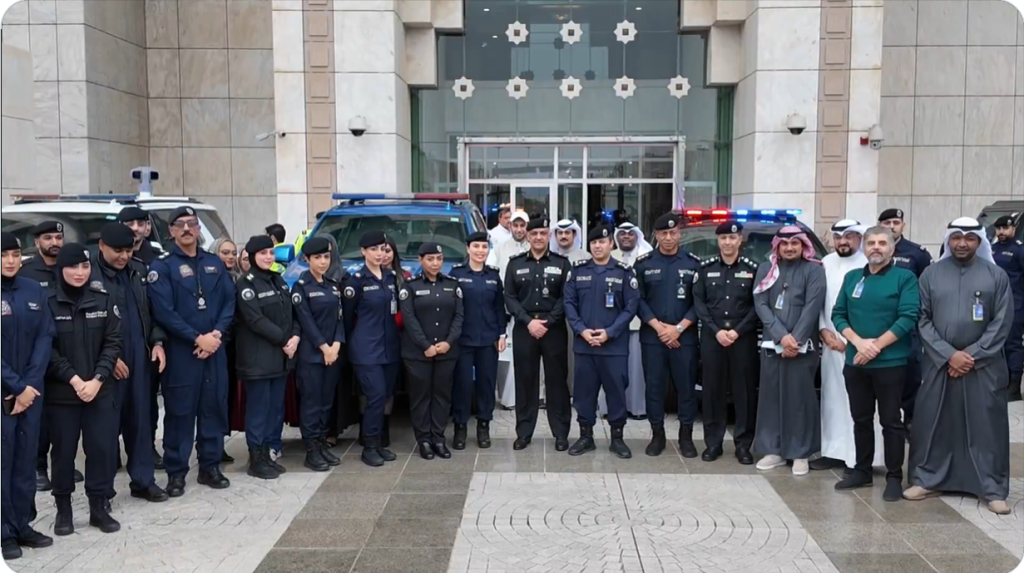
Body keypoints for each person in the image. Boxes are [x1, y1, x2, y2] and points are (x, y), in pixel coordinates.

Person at [905, 218, 1014, 515]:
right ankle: (928, 479)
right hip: (940, 365)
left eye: (969, 238)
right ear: (948, 240)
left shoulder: (996, 275)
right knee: (934, 422)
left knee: (986, 426)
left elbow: (1002, 321)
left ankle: (991, 488)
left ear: (979, 241)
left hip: (984, 367)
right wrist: (949, 355)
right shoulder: (930, 275)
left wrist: (971, 356)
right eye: (956, 237)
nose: (962, 243)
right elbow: (921, 319)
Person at [147, 206, 236, 497]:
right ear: (171, 230)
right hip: (182, 354)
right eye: (180, 224)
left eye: (192, 224)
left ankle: (210, 467)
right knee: (180, 413)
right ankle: (176, 473)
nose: (186, 229)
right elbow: (163, 311)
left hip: (214, 351)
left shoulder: (214, 263)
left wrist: (216, 335)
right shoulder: (162, 267)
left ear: (198, 230)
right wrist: (197, 338)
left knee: (213, 409)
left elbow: (229, 302)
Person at [831, 226, 920, 501]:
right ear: (864, 247)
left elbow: (908, 317)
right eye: (871, 243)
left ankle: (894, 477)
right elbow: (838, 314)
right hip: (855, 362)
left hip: (890, 364)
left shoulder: (904, 278)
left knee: (891, 421)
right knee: (860, 418)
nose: (876, 247)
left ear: (892, 248)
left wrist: (875, 347)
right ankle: (862, 470)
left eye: (882, 243)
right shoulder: (852, 278)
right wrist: (858, 343)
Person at [45, 244, 123, 535]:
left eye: (85, 266)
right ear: (61, 269)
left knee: (101, 449)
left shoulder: (104, 299)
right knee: (63, 453)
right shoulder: (48, 303)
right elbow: (48, 350)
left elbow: (113, 343)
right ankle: (63, 510)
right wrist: (76, 381)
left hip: (99, 391)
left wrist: (98, 379)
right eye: (73, 267)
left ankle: (98, 507)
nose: (80, 273)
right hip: (63, 394)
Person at [92, 223, 169, 503]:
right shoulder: (89, 275)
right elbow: (84, 325)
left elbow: (153, 312)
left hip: (140, 356)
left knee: (140, 422)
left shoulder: (138, 271)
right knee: (105, 430)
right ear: (102, 246)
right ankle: (102, 491)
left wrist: (157, 342)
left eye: (128, 250)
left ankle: (143, 481)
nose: (123, 256)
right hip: (105, 362)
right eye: (117, 251)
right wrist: (107, 360)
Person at [752, 226, 827, 476]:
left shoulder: (814, 270)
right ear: (777, 246)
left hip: (802, 346)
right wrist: (781, 336)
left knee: (799, 398)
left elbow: (812, 306)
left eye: (795, 243)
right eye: (784, 244)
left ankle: (800, 452)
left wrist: (795, 340)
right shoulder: (767, 268)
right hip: (773, 344)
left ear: (803, 245)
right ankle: (773, 449)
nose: (789, 248)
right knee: (771, 397)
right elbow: (760, 303)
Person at [813, 220, 883, 474]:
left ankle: (859, 458)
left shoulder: (869, 264)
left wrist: (849, 340)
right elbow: (821, 302)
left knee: (859, 404)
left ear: (860, 238)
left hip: (861, 346)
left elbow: (872, 309)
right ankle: (833, 451)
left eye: (849, 236)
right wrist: (823, 330)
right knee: (832, 399)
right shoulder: (826, 262)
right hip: (830, 343)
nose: (843, 242)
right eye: (838, 237)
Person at [1, 232, 55, 561]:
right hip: (6, 392)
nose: (10, 261)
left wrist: (30, 386)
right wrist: (16, 387)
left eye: (14, 254)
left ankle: (22, 524)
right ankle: (3, 531)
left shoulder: (33, 289)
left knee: (24, 461)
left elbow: (45, 336)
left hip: (31, 393)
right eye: (3, 255)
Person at [564, 227, 640, 459]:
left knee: (616, 392)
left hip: (613, 347)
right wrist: (581, 330)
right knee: (584, 394)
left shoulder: (624, 272)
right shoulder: (578, 271)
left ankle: (617, 438)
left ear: (611, 244)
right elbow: (569, 303)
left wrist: (610, 332)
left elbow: (631, 307)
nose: (598, 246)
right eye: (594, 242)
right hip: (585, 346)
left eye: (602, 242)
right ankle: (586, 436)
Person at [633, 213, 703, 458]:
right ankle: (657, 435)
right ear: (656, 235)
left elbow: (699, 302)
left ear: (679, 234)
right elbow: (637, 300)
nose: (669, 237)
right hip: (653, 338)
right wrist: (659, 328)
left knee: (686, 388)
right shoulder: (643, 264)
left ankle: (686, 437)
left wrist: (678, 329)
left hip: (685, 338)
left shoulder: (693, 264)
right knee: (654, 387)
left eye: (673, 233)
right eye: (664, 233)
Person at [692, 222, 760, 465]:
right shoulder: (705, 268)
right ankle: (713, 443)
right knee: (713, 391)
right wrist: (716, 330)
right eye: (723, 238)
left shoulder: (753, 269)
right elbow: (699, 303)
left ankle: (743, 445)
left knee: (745, 393)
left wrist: (737, 331)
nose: (728, 242)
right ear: (717, 241)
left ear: (740, 240)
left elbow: (758, 305)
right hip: (713, 338)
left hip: (743, 339)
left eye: (732, 238)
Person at [504, 217, 573, 451]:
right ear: (527, 236)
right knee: (525, 381)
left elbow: (566, 296)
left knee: (557, 382)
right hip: (525, 328)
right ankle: (524, 433)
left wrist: (548, 321)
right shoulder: (515, 264)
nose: (539, 237)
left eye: (543, 233)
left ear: (549, 236)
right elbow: (509, 297)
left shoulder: (562, 263)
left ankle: (561, 433)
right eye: (534, 234)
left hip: (553, 329)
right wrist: (528, 322)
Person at [234, 236, 299, 480]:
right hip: (258, 359)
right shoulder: (246, 284)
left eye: (271, 253)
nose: (268, 257)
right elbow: (255, 320)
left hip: (280, 358)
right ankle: (256, 458)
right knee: (258, 410)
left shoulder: (277, 280)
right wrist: (284, 340)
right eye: (263, 253)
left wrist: (294, 337)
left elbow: (291, 313)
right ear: (251, 256)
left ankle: (268, 453)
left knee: (274, 408)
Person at [19, 221, 76, 491]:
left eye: (58, 237)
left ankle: (64, 464)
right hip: (38, 352)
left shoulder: (70, 268)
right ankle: (38, 466)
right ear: (37, 242)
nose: (54, 242)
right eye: (48, 238)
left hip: (68, 350)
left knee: (64, 415)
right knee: (39, 416)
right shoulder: (27, 272)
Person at [342, 230, 402, 467]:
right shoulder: (356, 281)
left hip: (389, 348)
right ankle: (369, 446)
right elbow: (347, 318)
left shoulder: (390, 277)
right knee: (375, 396)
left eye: (382, 249)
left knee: (385, 396)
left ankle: (377, 444)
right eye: (374, 249)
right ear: (363, 252)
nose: (379, 254)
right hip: (366, 349)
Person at [400, 243, 465, 460]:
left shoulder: (452, 284)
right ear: (421, 260)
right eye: (430, 259)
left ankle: (438, 438)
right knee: (421, 396)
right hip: (418, 353)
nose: (435, 263)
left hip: (447, 351)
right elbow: (409, 319)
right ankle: (424, 440)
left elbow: (459, 316)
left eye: (439, 258)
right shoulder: (410, 286)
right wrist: (425, 345)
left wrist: (448, 342)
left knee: (442, 396)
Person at [290, 237, 345, 471]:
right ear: (307, 259)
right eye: (318, 257)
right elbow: (306, 322)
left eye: (326, 257)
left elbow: (340, 319)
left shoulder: (332, 285)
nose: (323, 261)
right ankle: (311, 449)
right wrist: (324, 347)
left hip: (332, 354)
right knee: (312, 403)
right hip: (312, 356)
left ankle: (322, 443)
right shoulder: (301, 287)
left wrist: (336, 346)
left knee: (326, 402)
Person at [450, 231, 508, 450]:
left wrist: (501, 334)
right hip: (463, 340)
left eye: (484, 247)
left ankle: (484, 426)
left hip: (488, 340)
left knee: (486, 385)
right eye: (476, 246)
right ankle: (460, 427)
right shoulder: (456, 274)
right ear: (468, 249)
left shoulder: (493, 275)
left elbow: (499, 307)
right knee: (462, 385)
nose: (480, 251)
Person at [878, 208, 932, 426]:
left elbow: (928, 289)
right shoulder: (872, 250)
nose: (892, 226)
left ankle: (911, 424)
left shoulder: (917, 253)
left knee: (911, 376)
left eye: (896, 222)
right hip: (878, 324)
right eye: (887, 222)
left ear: (903, 225)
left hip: (909, 326)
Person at [610, 222, 653, 419]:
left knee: (636, 370)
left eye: (630, 234)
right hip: (611, 324)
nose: (626, 237)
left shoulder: (646, 257)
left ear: (637, 236)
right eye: (622, 234)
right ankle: (610, 408)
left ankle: (637, 408)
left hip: (637, 322)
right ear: (617, 237)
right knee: (612, 369)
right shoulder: (609, 256)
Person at [489, 210, 531, 410]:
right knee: (508, 355)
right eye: (516, 225)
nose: (519, 229)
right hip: (506, 309)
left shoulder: (534, 247)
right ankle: (509, 399)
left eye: (523, 226)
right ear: (510, 226)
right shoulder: (500, 248)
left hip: (530, 311)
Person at [211, 237, 240, 463]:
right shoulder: (210, 280)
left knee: (226, 398)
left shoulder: (237, 279)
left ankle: (220, 442)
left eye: (233, 253)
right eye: (225, 252)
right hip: (216, 343)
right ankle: (212, 446)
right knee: (214, 399)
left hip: (235, 347)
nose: (230, 257)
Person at [991, 215, 1023, 401]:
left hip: (1016, 304)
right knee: (998, 344)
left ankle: (1014, 387)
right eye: (999, 228)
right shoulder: (992, 249)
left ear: (1014, 229)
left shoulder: (1019, 249)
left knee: (1013, 344)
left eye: (1005, 228)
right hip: (995, 305)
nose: (1002, 232)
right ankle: (1002, 382)